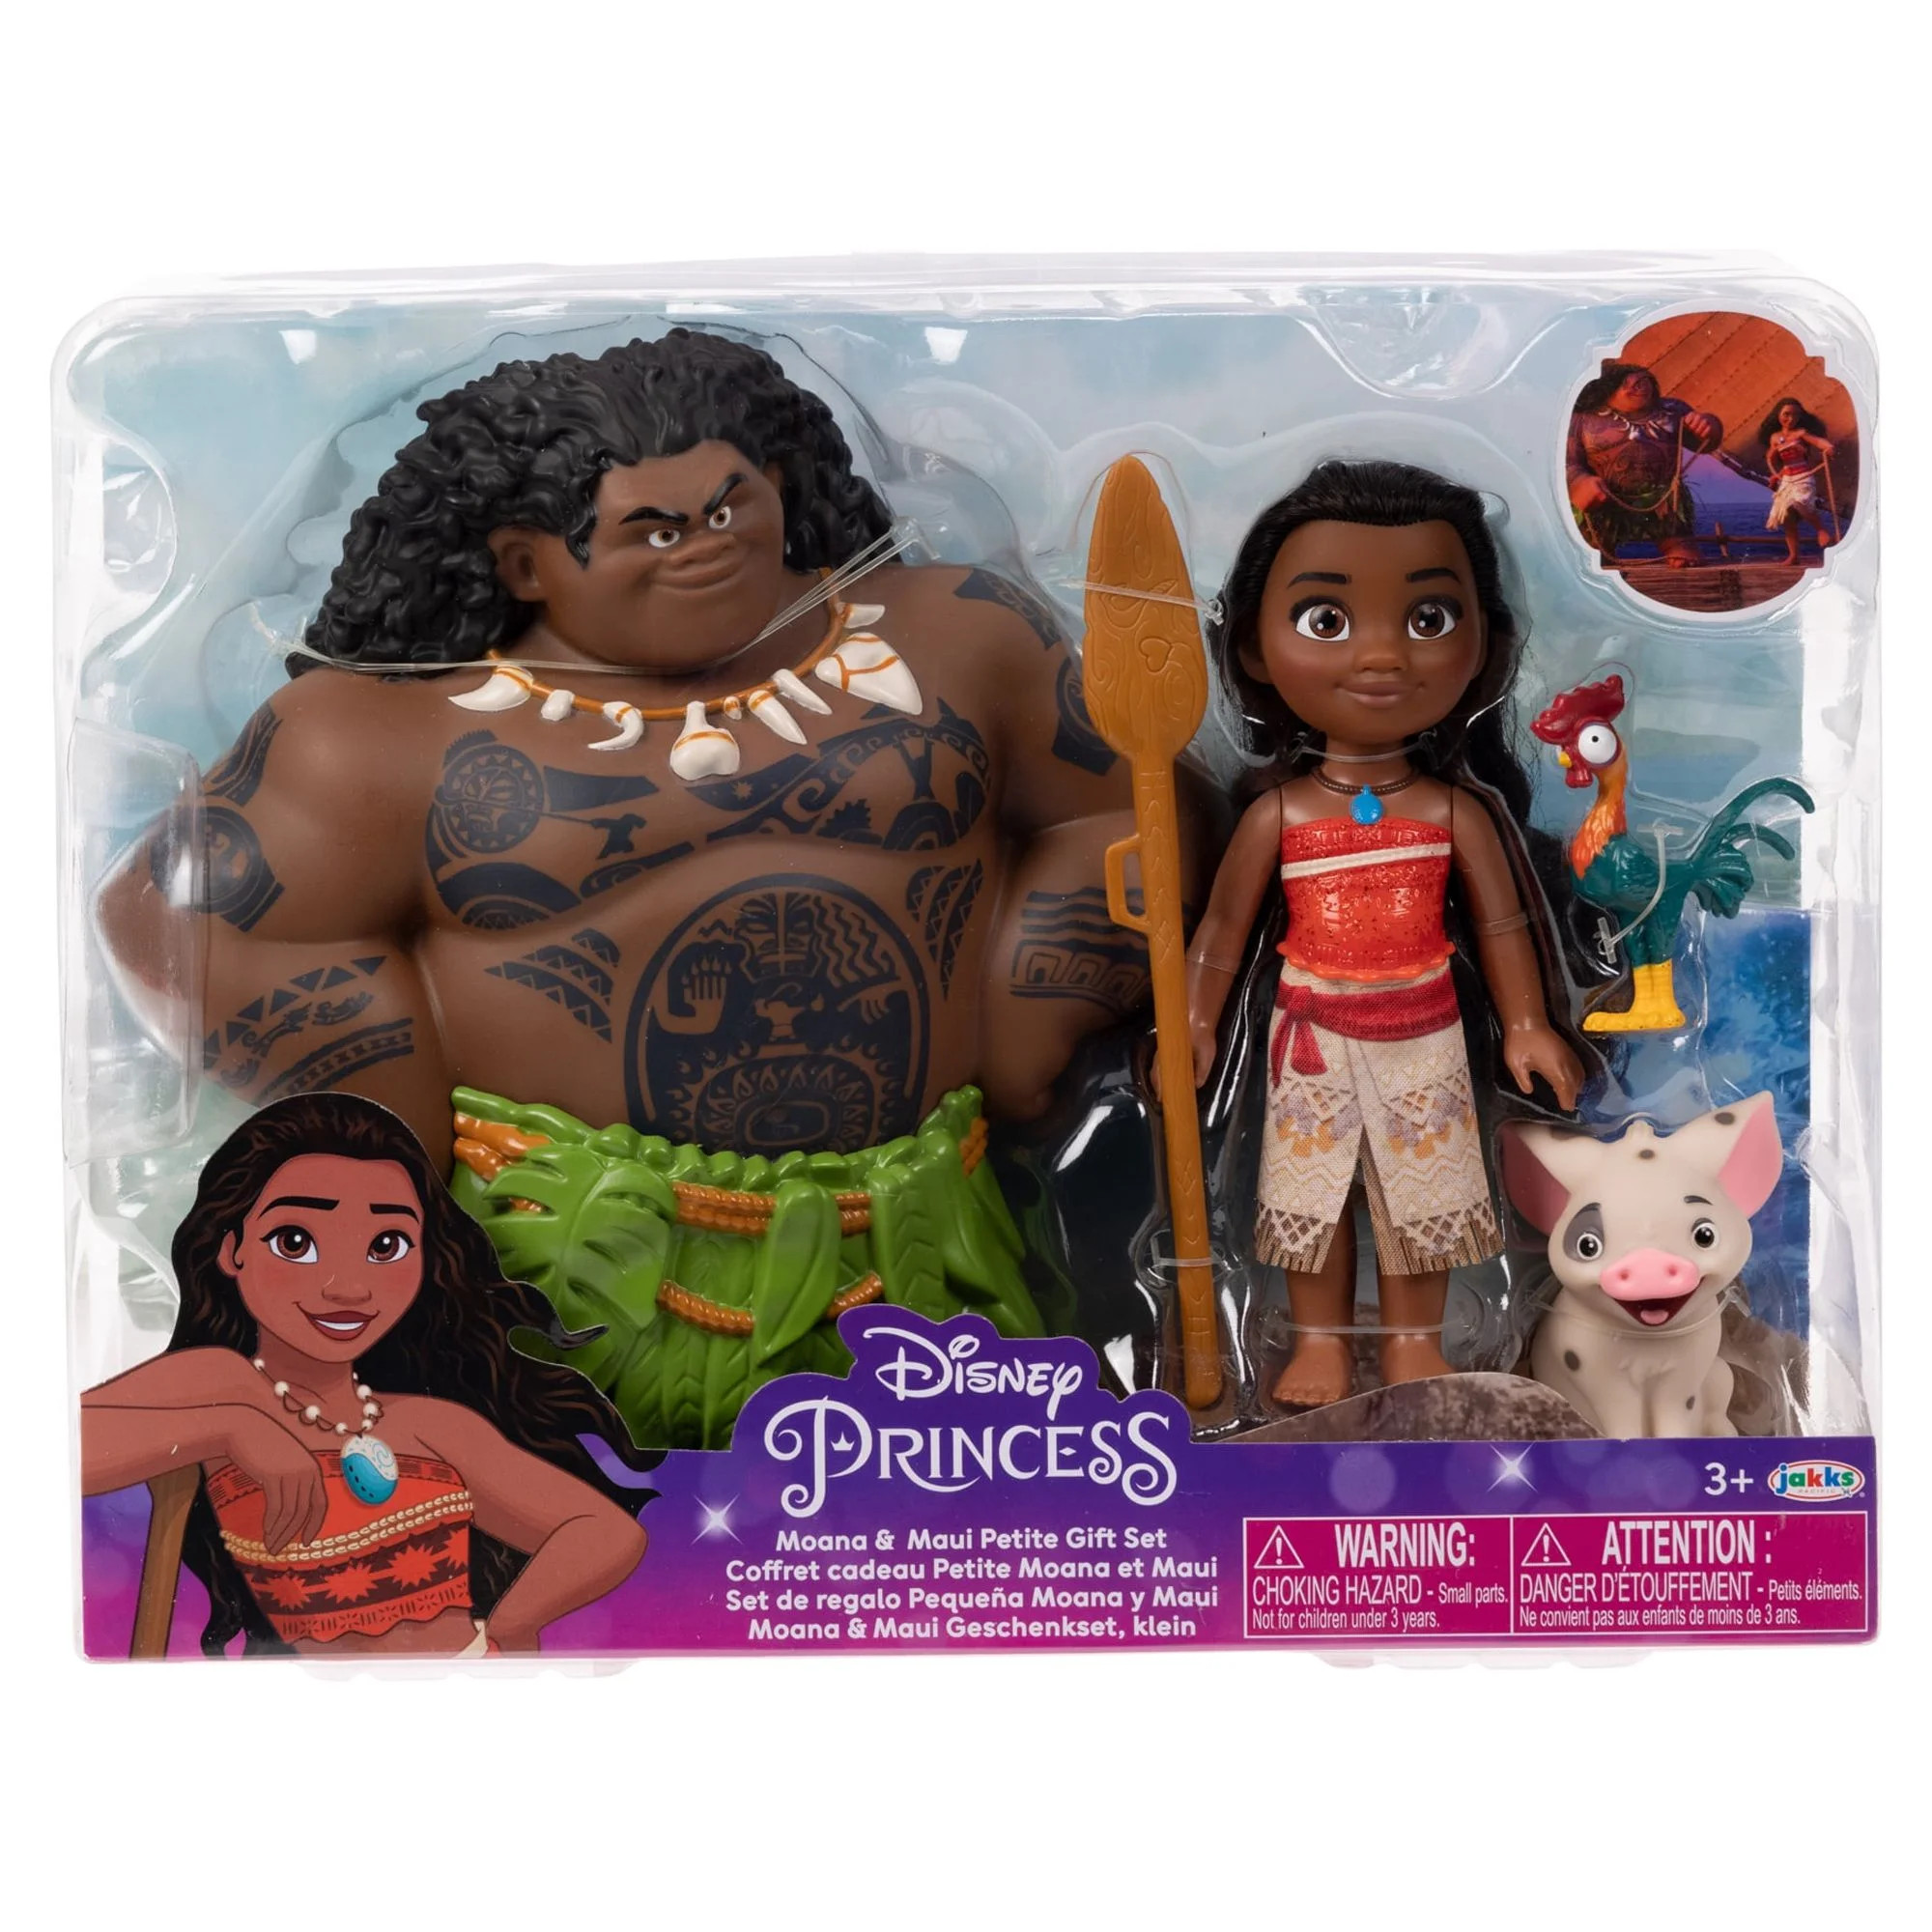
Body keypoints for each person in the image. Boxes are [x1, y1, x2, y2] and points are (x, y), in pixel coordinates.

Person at [99, 330, 1141, 1164]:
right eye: (656, 530)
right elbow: (175, 923)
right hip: (550, 1272)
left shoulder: (959, 633)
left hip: (930, 1238)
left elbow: (1123, 808)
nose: (706, 546)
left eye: (728, 507)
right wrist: (390, 1135)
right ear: (524, 563)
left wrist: (1031, 1006)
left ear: (782, 482)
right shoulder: (378, 736)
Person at [1180, 461, 1581, 1408]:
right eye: (1325, 619)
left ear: (1483, 646)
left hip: (1425, 1035)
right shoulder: (1278, 813)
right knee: (1313, 1194)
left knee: (1421, 1195)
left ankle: (1412, 1342)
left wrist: (1527, 1022)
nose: (1381, 656)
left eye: (1428, 618)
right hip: (1312, 1038)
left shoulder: (1452, 811)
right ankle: (1315, 1340)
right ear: (1251, 648)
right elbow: (1223, 930)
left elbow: (1503, 922)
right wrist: (1195, 1019)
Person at [81, 1094, 654, 1656]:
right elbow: (65, 1447)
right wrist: (231, 1429)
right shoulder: (225, 1384)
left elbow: (604, 1530)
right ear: (232, 1250)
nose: (348, 1288)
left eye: (387, 1245)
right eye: (295, 1242)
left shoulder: (430, 1424)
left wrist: (503, 1630)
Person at [1567, 363, 1722, 568]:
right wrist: (1578, 482)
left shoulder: (1673, 410)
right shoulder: (1582, 419)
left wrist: (1708, 425)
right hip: (1603, 500)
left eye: (1643, 381)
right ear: (1607, 388)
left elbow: (1704, 444)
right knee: (1593, 556)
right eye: (1626, 384)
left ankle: (1677, 544)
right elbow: (1568, 461)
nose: (1638, 387)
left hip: (1663, 500)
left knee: (1682, 549)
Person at [1759, 398, 1837, 563]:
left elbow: (1818, 441)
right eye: (1786, 414)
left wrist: (1828, 447)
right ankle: (1793, 555)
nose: (1791, 419)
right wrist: (1776, 474)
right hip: (1787, 480)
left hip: (1803, 477)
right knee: (1787, 515)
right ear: (1778, 414)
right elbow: (1774, 459)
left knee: (1799, 503)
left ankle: (1821, 530)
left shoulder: (1800, 433)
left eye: (1795, 415)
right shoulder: (1775, 437)